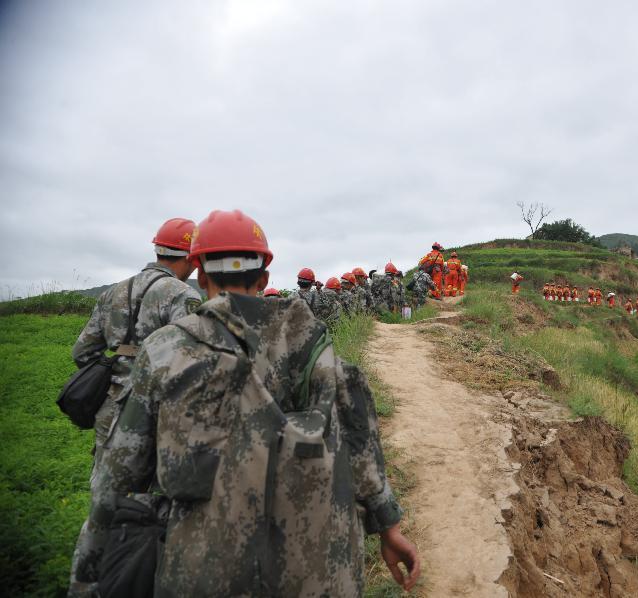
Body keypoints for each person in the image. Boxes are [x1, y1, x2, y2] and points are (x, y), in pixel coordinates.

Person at [71, 210, 419, 596]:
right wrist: (390, 527)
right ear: (265, 278)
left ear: (200, 275)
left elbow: (116, 479)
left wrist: (87, 576)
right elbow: (361, 443)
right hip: (319, 572)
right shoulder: (317, 347)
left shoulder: (165, 352)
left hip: (207, 571)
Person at [68, 218, 202, 593]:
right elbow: (189, 359)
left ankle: (85, 586)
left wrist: (119, 368)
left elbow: (83, 351)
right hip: (159, 415)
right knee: (168, 504)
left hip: (111, 413)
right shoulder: (181, 295)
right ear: (191, 257)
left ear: (158, 248)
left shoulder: (114, 292)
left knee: (104, 507)